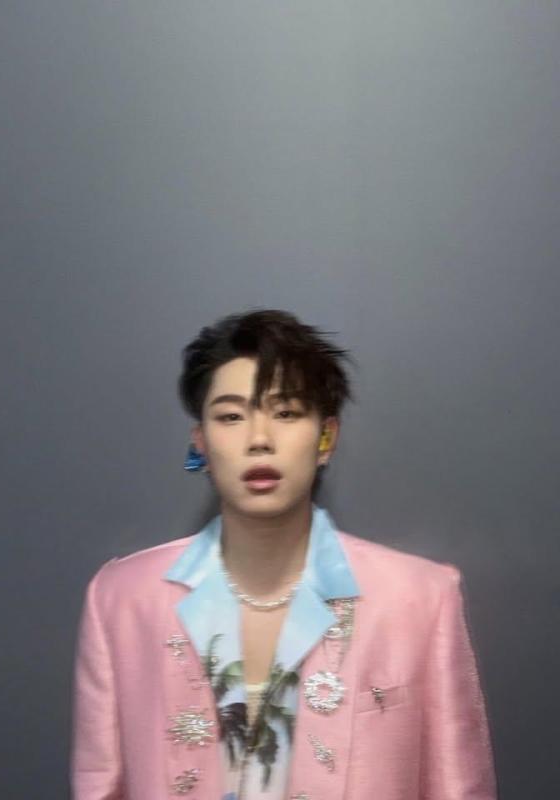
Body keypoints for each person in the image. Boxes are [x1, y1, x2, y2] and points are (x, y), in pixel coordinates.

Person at [70, 308, 497, 800]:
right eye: (231, 416)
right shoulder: (123, 600)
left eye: (287, 413)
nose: (259, 440)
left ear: (326, 438)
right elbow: (100, 786)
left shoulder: (419, 599)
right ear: (201, 443)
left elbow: (459, 787)